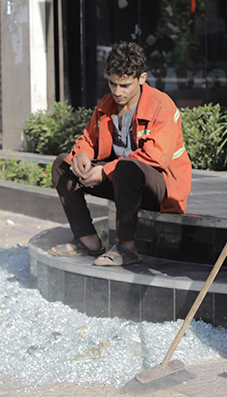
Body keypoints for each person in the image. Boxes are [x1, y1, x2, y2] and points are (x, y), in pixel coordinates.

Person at [48, 41, 192, 266]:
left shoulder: (161, 106)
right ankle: (87, 239)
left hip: (161, 189)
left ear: (142, 78)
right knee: (61, 164)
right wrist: (82, 155)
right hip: (122, 182)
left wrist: (104, 171)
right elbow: (87, 138)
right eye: (112, 83)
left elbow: (157, 157)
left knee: (126, 166)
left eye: (124, 85)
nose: (117, 92)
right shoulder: (107, 103)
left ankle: (127, 247)